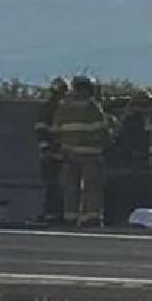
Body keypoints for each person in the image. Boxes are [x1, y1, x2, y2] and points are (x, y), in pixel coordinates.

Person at [52, 75, 112, 226]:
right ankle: (91, 217)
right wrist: (107, 143)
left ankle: (70, 217)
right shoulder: (91, 106)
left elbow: (55, 130)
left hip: (69, 154)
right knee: (92, 187)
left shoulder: (64, 106)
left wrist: (63, 148)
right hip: (90, 153)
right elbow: (102, 130)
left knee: (71, 187)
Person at [34, 77, 69, 223]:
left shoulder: (49, 108)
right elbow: (41, 130)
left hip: (56, 153)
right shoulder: (58, 108)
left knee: (54, 185)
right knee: (55, 185)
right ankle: (54, 214)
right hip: (56, 153)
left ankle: (53, 214)